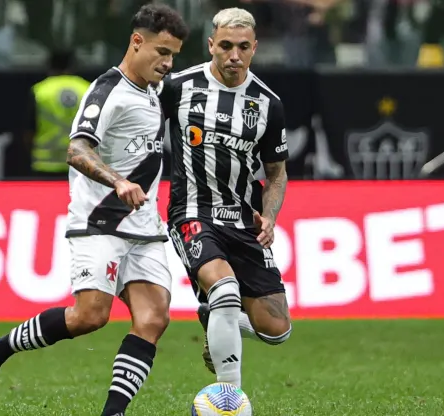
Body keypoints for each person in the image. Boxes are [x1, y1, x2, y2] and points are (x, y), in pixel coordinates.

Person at [0, 4, 188, 415]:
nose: (167, 63)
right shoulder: (107, 90)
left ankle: (113, 413)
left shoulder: (156, 90)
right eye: (161, 52)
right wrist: (118, 180)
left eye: (173, 55)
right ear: (136, 42)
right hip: (100, 222)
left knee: (153, 319)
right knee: (89, 317)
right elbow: (77, 149)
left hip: (145, 226)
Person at [158, 7, 292, 388]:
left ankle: (215, 314)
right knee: (226, 291)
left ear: (254, 49)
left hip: (243, 220)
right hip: (192, 213)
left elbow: (277, 172)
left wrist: (269, 215)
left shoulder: (268, 104)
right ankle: (229, 400)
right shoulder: (178, 87)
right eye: (227, 46)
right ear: (211, 45)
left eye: (244, 47)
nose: (235, 55)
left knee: (277, 329)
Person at [25, 50, 91, 177]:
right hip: (82, 164)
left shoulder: (40, 90)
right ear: (73, 66)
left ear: (50, 66)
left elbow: (29, 131)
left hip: (45, 165)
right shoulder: (87, 89)